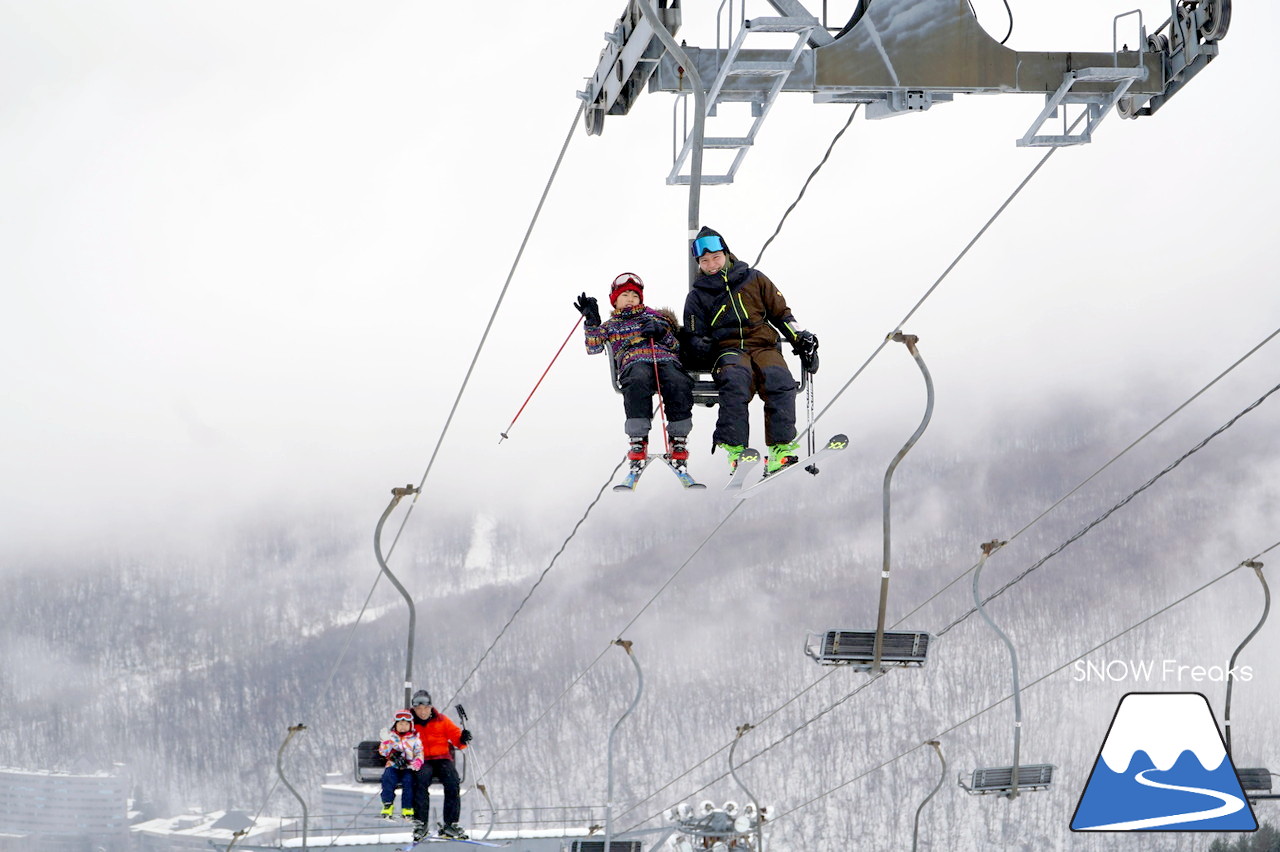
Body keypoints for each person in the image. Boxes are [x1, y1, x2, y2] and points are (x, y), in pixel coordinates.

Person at [683, 227, 819, 474]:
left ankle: (780, 448)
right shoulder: (698, 296)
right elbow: (693, 333)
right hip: (728, 348)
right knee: (735, 380)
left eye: (716, 257)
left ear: (726, 254)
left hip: (762, 343)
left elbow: (781, 313)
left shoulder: (753, 279)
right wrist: (698, 345)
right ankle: (736, 449)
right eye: (705, 261)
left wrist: (800, 337)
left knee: (779, 379)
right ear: (699, 264)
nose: (712, 265)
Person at [574, 273, 695, 475]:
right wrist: (591, 322)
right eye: (625, 295)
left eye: (634, 295)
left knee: (678, 382)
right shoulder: (612, 325)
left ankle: (679, 439)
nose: (630, 299)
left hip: (664, 359)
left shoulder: (655, 317)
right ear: (615, 300)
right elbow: (593, 347)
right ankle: (638, 440)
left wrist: (661, 332)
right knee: (637, 380)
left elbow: (675, 346)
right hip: (634, 360)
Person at [409, 689, 472, 841]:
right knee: (420, 782)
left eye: (425, 708)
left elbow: (456, 737)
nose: (422, 712)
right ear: (414, 709)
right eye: (418, 709)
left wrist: (463, 739)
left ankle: (450, 824)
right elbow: (397, 738)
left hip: (442, 758)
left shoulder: (441, 720)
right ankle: (421, 824)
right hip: (421, 759)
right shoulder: (409, 723)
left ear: (430, 707)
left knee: (452, 782)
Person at [377, 709, 424, 819]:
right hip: (393, 765)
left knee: (409, 782)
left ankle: (407, 807)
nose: (403, 727)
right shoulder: (391, 737)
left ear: (410, 725)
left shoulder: (415, 739)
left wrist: (418, 761)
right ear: (395, 725)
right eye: (400, 724)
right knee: (388, 779)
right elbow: (383, 752)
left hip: (408, 767)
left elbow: (419, 752)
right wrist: (385, 742)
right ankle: (387, 804)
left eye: (406, 724)